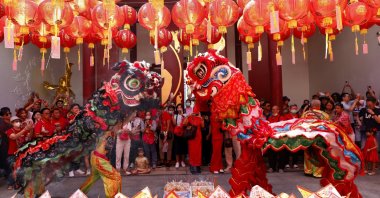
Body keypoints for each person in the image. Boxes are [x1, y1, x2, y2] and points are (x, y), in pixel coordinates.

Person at [301, 99, 330, 178]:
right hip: (318, 137)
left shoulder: (305, 113)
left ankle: (308, 170)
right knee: (318, 154)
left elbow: (301, 123)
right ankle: (317, 172)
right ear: (319, 106)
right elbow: (328, 126)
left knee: (308, 152)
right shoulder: (324, 115)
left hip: (307, 136)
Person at [6, 116, 32, 190]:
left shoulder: (23, 129)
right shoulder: (9, 131)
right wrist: (24, 129)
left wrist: (31, 128)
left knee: (22, 168)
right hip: (12, 153)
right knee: (14, 168)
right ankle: (11, 183)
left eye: (18, 120)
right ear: (12, 123)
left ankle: (20, 182)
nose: (18, 122)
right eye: (15, 121)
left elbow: (29, 138)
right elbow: (14, 137)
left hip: (22, 152)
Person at [183, 105, 204, 174]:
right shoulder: (198, 118)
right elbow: (202, 126)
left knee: (193, 151)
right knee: (197, 151)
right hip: (195, 136)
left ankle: (194, 166)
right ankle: (196, 166)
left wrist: (188, 116)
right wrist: (200, 118)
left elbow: (184, 123)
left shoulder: (191, 117)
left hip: (193, 136)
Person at [266, 105, 286, 173]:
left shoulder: (281, 117)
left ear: (278, 110)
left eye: (275, 109)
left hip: (280, 138)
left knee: (282, 154)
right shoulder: (270, 117)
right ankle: (272, 167)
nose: (273, 111)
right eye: (272, 109)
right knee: (271, 153)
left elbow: (282, 127)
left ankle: (281, 168)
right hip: (272, 138)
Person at [173, 104, 187, 168]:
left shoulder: (185, 115)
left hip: (183, 133)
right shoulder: (175, 116)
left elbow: (186, 123)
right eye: (178, 107)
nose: (179, 108)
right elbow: (174, 124)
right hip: (176, 133)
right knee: (177, 148)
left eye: (180, 107)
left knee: (183, 148)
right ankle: (177, 162)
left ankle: (182, 161)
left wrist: (182, 115)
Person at [0, 107, 12, 182]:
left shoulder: (9, 122)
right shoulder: (2, 123)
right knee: (6, 161)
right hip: (4, 144)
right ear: (3, 115)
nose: (9, 115)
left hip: (9, 143)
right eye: (7, 114)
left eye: (9, 113)